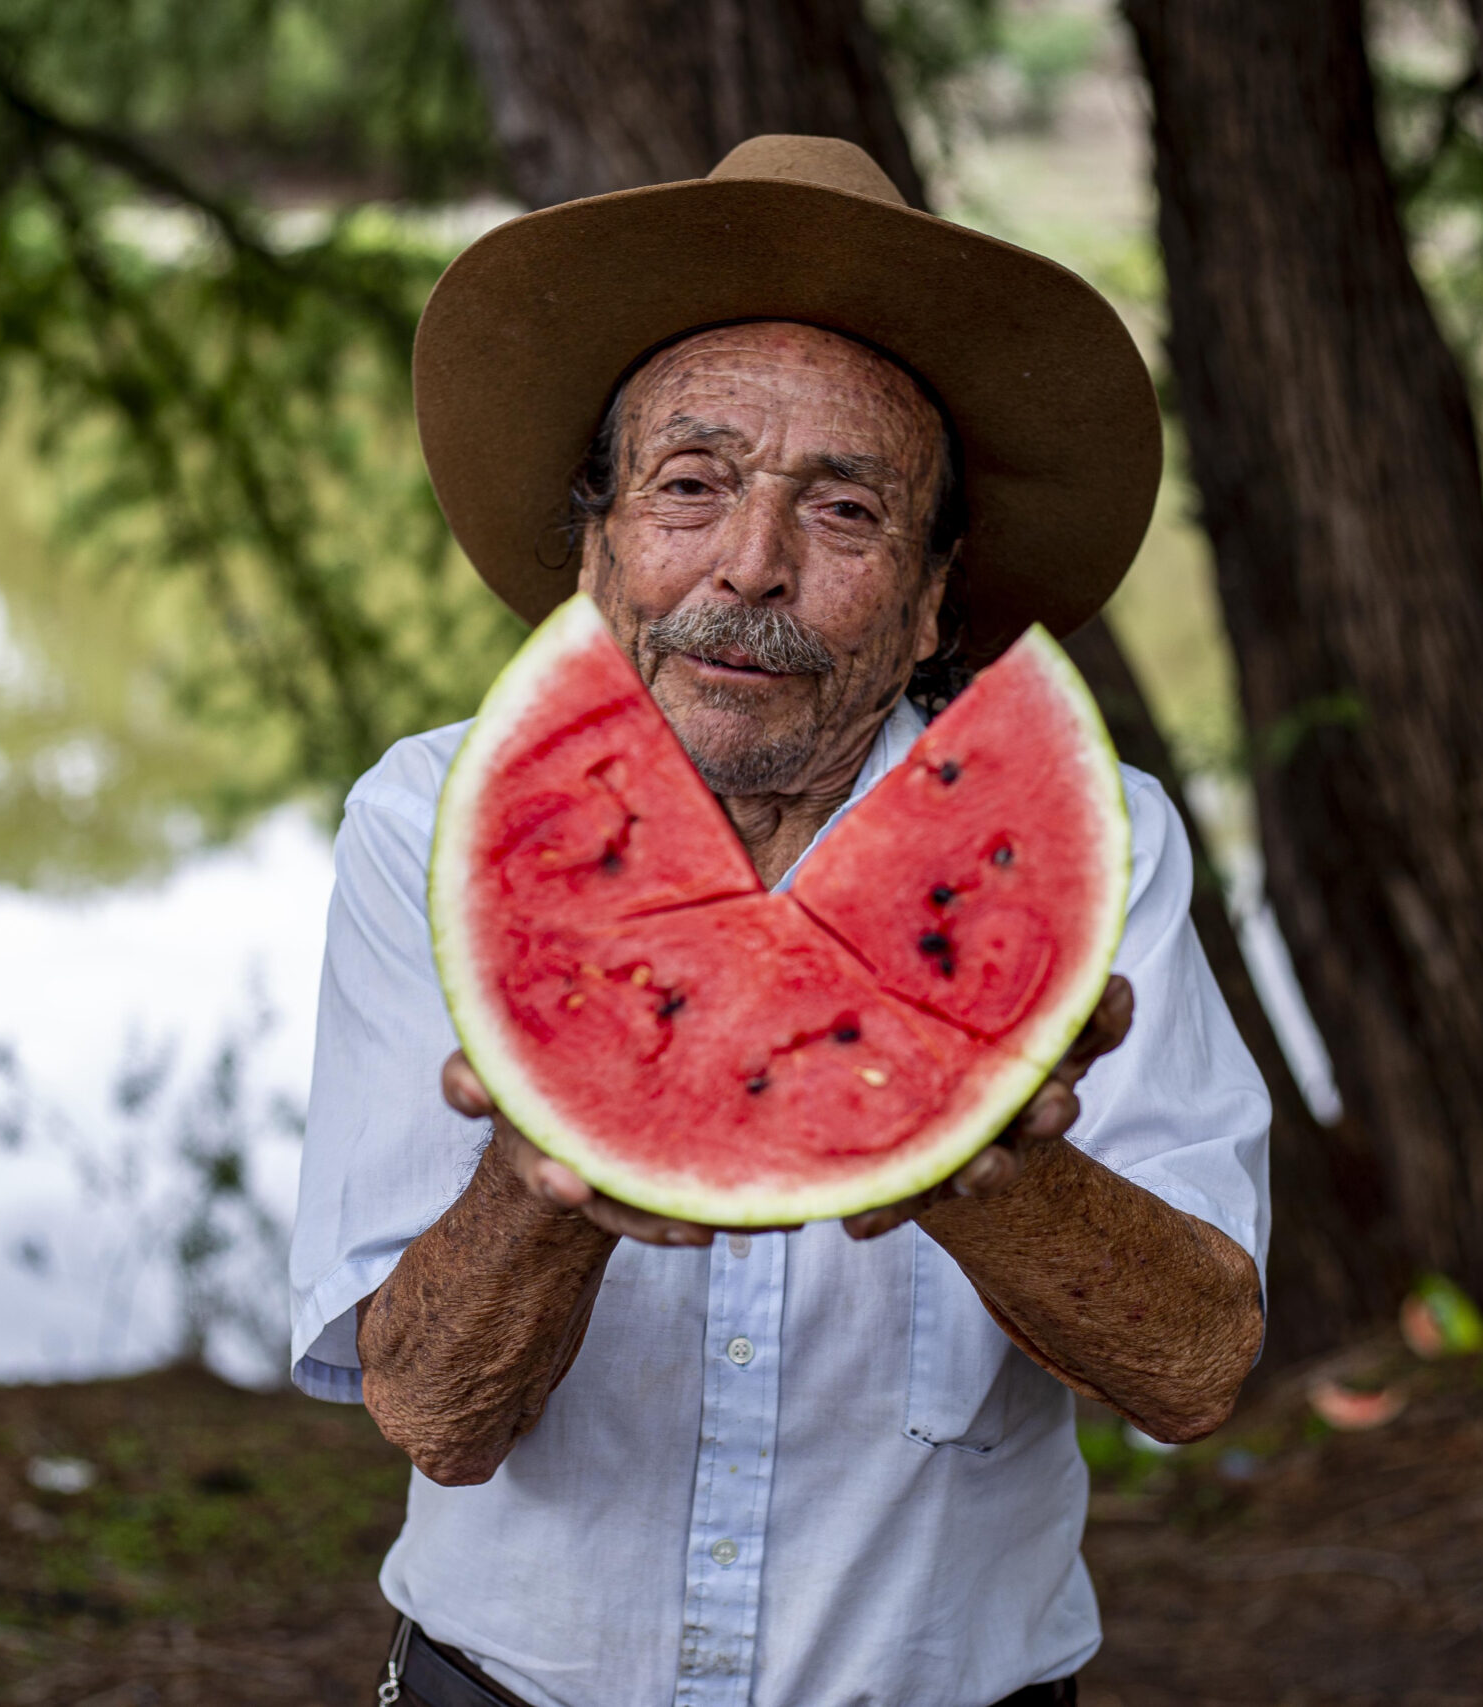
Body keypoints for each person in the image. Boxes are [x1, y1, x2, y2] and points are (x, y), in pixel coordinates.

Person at [290, 136, 1271, 1707]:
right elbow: (431, 1414)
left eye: (846, 512)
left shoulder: (1093, 845)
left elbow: (1199, 1367)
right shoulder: (430, 822)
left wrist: (981, 1155)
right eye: (692, 485)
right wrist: (543, 1168)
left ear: (937, 592)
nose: (751, 562)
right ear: (595, 536)